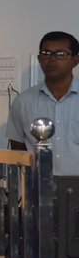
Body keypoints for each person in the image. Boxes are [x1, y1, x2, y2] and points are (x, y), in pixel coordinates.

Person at [8, 30, 78, 176]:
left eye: (61, 54)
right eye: (46, 53)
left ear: (75, 59)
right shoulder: (23, 101)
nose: (52, 59)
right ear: (39, 59)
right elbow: (18, 148)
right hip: (38, 186)